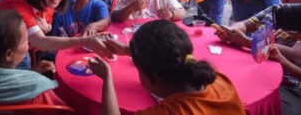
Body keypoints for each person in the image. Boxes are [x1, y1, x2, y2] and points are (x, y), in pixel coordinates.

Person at [88, 20, 245, 115]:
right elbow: (173, 54)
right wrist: (126, 49)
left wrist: (107, 78)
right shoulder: (218, 80)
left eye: (139, 70)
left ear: (152, 76)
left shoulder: (169, 112)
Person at [215, 0, 301, 115]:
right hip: (258, 68)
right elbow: (245, 23)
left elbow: (295, 54)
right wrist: (232, 31)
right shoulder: (276, 11)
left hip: (286, 84)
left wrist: (246, 41)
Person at [0, 10, 66, 106]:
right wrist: (32, 77)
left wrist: (31, 73)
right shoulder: (39, 91)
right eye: (25, 40)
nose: (29, 43)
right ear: (9, 55)